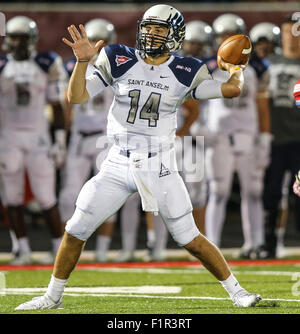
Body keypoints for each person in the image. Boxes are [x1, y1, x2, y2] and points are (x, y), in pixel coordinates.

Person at [15, 4, 261, 310]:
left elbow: (230, 91)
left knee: (190, 238)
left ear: (175, 35)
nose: (152, 34)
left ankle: (238, 293)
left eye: (160, 29)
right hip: (116, 161)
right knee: (75, 229)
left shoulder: (188, 69)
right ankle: (51, 297)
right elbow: (76, 97)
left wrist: (237, 70)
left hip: (159, 164)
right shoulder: (118, 57)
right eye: (148, 27)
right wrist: (81, 62)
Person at [203, 13, 272, 258]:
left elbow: (263, 105)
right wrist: (199, 129)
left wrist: (265, 138)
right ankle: (211, 247)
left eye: (230, 36)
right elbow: (194, 102)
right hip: (218, 137)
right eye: (223, 36)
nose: (226, 41)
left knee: (253, 192)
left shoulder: (258, 67)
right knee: (218, 192)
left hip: (247, 136)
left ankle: (256, 244)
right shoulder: (207, 67)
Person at [0, 16, 67, 265]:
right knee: (12, 198)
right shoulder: (1, 65)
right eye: (14, 37)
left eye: (22, 38)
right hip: (8, 137)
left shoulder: (47, 62)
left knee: (47, 197)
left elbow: (56, 105)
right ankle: (22, 249)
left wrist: (59, 141)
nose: (17, 43)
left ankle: (59, 248)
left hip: (38, 137)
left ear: (32, 40)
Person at [59, 18, 117, 262]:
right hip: (80, 138)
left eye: (102, 41)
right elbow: (67, 103)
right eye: (93, 40)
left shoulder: (118, 68)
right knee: (67, 196)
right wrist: (62, 136)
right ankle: (62, 249)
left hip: (105, 139)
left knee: (109, 194)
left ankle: (102, 249)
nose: (97, 46)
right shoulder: (73, 66)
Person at [262, 14, 300, 258]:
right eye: (290, 31)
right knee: (271, 194)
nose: (293, 36)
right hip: (274, 140)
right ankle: (268, 244)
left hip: (299, 140)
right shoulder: (268, 63)